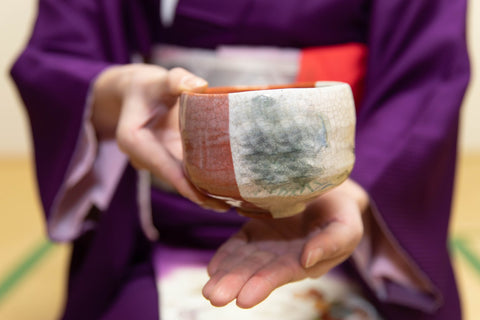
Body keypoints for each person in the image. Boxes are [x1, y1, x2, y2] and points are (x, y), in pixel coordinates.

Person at [10, 0, 470, 319]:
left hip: (337, 216)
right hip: (156, 221)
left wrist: (356, 185)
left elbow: (427, 75)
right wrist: (116, 91)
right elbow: (59, 53)